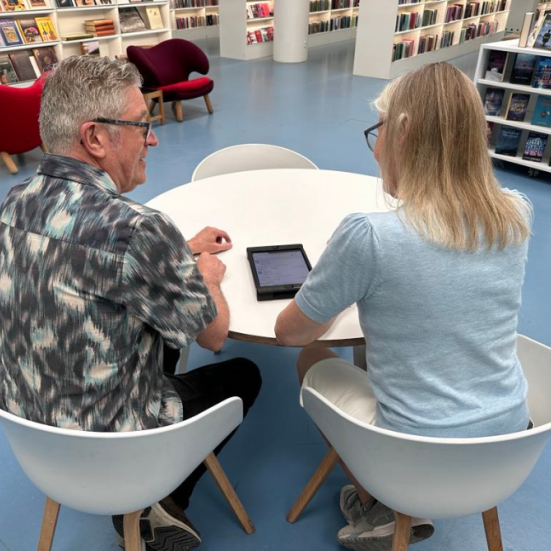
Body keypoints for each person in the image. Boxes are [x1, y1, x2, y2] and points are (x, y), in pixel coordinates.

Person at [0, 56, 261, 551]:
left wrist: (176, 252)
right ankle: (160, 502)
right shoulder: (139, 228)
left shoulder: (13, 203)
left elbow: (86, 262)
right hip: (119, 452)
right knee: (244, 374)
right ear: (95, 138)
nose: (154, 138)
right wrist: (205, 275)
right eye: (142, 126)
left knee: (151, 333)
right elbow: (214, 334)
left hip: (34, 436)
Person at [275, 62, 532, 551]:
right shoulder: (516, 211)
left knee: (311, 359)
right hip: (508, 442)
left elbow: (292, 333)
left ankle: (382, 507)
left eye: (379, 130)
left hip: (412, 458)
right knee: (374, 350)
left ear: (405, 133)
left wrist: (334, 272)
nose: (375, 148)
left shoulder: (369, 236)